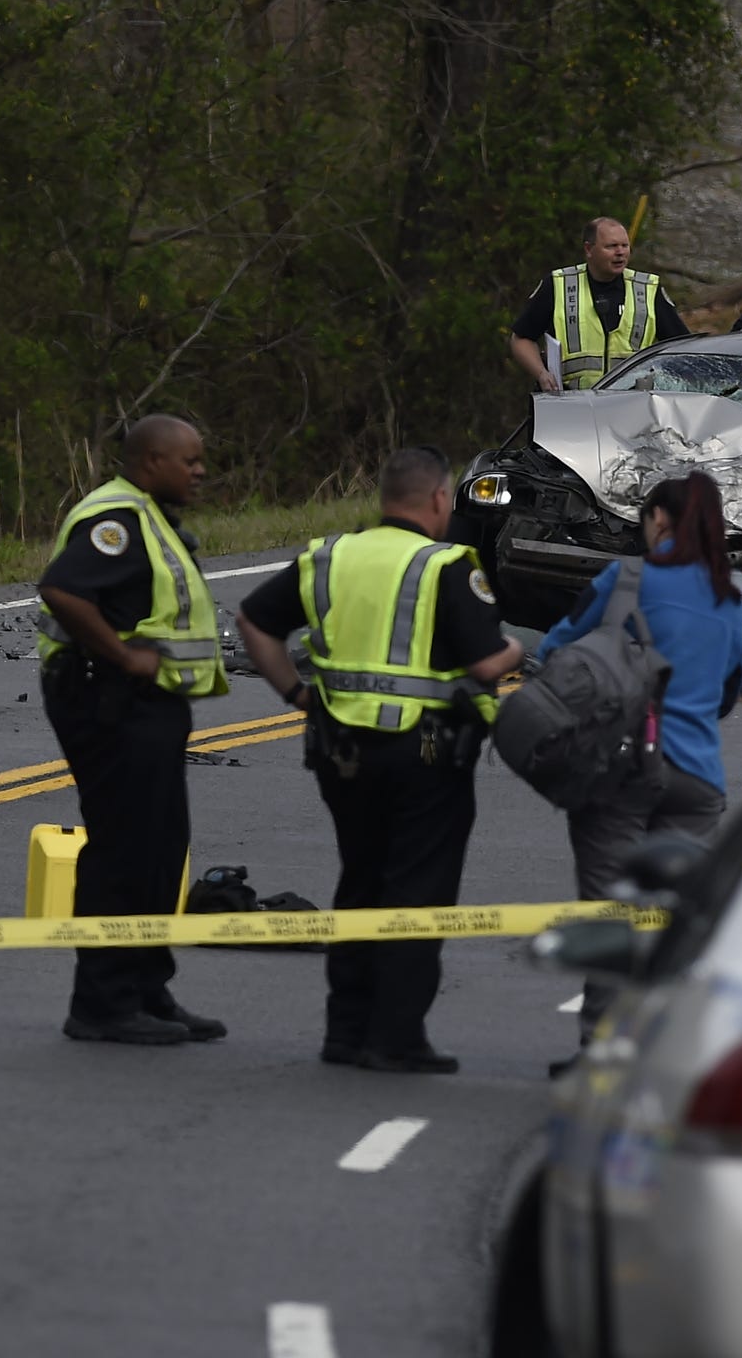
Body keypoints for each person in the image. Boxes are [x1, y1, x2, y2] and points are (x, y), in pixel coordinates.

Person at [236, 448, 525, 1074]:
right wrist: (516, 649)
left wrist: (294, 693)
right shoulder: (447, 565)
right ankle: (395, 1037)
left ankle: (346, 1031)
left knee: (360, 881)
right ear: (440, 500)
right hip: (424, 756)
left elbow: (253, 622)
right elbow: (482, 663)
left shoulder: (329, 557)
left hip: (340, 754)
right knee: (416, 890)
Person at [532, 473, 742, 1048]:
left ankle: (602, 1052)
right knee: (679, 925)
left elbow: (555, 650)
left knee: (610, 918)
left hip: (619, 770)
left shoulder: (624, 579)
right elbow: (731, 692)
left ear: (657, 520)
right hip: (697, 778)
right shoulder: (729, 599)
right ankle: (666, 1050)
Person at [34, 415, 232, 1047]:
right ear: (151, 462)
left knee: (161, 847)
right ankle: (101, 1002)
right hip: (108, 696)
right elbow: (63, 591)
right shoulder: (114, 520)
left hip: (147, 703)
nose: (200, 471)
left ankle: (147, 987)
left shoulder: (150, 515)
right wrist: (122, 658)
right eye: (190, 461)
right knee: (124, 848)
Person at [510, 215, 689, 392]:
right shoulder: (559, 285)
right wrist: (541, 374)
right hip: (572, 406)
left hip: (632, 407)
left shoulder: (648, 288)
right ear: (589, 249)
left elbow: (682, 348)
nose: (620, 252)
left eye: (624, 246)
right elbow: (521, 339)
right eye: (611, 246)